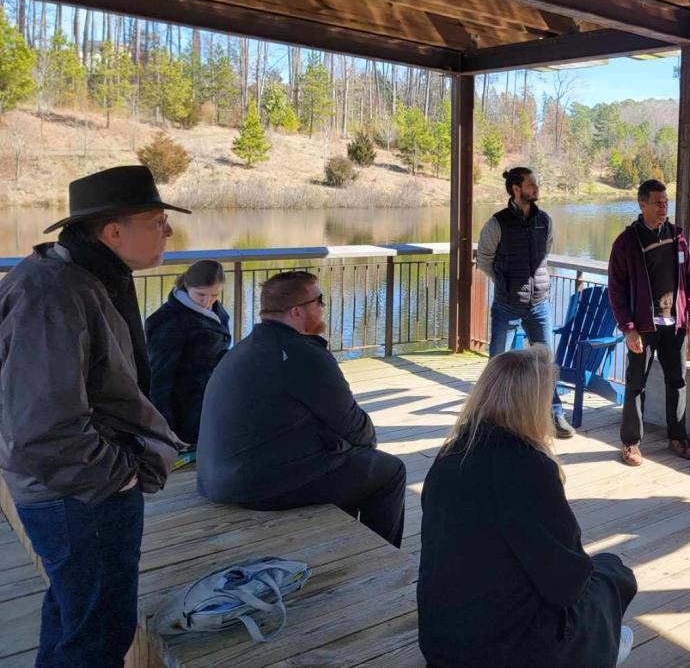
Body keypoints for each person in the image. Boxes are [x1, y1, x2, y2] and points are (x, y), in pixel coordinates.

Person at [0, 165, 184, 667]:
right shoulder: (54, 294)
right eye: (157, 219)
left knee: (74, 617)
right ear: (112, 231)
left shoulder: (77, 275)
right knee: (98, 637)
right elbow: (42, 428)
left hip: (76, 491)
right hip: (81, 497)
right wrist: (121, 476)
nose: (168, 230)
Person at [419, 346, 636, 667]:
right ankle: (601, 647)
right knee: (614, 573)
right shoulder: (529, 468)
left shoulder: (450, 456)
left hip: (441, 643)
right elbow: (568, 585)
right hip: (505, 653)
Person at [196, 270, 407, 547]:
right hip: (254, 487)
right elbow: (354, 426)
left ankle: (344, 543)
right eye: (319, 301)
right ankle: (382, 557)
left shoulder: (245, 348)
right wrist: (365, 446)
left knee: (348, 459)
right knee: (388, 471)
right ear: (297, 312)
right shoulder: (302, 355)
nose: (322, 308)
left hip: (216, 478)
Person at [607, 179, 690, 467]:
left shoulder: (678, 237)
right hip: (643, 327)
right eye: (658, 202)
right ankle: (631, 444)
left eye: (666, 202)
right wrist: (628, 327)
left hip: (675, 326)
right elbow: (616, 289)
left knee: (678, 382)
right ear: (642, 204)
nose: (664, 207)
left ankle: (678, 438)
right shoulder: (627, 242)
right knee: (636, 384)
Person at [476, 166, 574, 439]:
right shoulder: (497, 223)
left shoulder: (545, 220)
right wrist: (504, 283)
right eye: (531, 184)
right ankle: (490, 417)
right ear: (516, 189)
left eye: (536, 183)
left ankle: (554, 414)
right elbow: (484, 259)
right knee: (498, 362)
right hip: (507, 305)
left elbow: (546, 253)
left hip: (539, 304)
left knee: (547, 362)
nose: (536, 187)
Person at [146, 259, 231, 446]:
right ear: (186, 285)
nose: (207, 301)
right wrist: (166, 428)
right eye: (201, 294)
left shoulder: (212, 309)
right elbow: (159, 377)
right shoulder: (169, 321)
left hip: (210, 397)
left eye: (214, 295)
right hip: (186, 408)